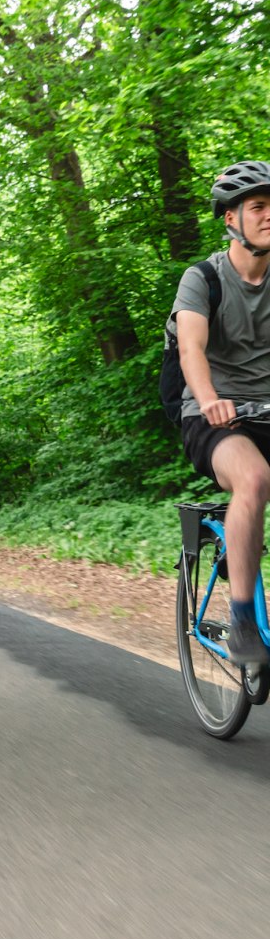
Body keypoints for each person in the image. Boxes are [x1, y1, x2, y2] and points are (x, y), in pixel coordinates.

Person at [173, 159, 270, 666]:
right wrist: (209, 397)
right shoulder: (203, 278)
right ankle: (242, 624)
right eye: (259, 207)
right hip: (213, 414)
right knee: (253, 479)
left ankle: (241, 541)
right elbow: (191, 349)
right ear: (231, 219)